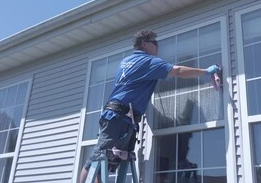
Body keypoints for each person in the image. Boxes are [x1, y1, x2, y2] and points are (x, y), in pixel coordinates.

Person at [79, 30, 221, 183]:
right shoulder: (148, 62)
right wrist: (207, 71)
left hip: (120, 117)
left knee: (105, 160)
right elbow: (178, 71)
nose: (158, 46)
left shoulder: (126, 62)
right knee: (98, 159)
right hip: (119, 117)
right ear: (144, 44)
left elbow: (136, 87)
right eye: (155, 43)